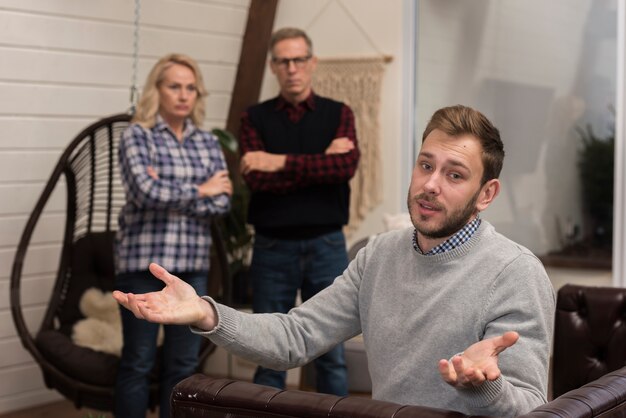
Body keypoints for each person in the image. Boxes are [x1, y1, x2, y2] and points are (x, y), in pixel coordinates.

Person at [113, 105, 556, 417]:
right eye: (425, 165)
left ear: (487, 194)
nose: (431, 185)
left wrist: (486, 386)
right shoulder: (379, 254)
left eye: (454, 174)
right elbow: (294, 337)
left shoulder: (515, 273)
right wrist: (207, 312)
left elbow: (534, 411)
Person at [237, 27, 360, 395]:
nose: (292, 68)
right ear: (273, 66)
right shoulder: (253, 118)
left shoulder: (339, 114)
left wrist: (277, 161)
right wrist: (319, 162)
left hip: (327, 245)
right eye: (283, 61)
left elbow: (344, 168)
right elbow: (258, 181)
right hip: (272, 248)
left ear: (313, 62)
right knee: (268, 351)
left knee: (331, 354)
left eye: (299, 59)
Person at [114, 53, 232, 418]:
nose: (183, 95)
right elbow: (144, 192)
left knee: (183, 365)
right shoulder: (137, 135)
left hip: (191, 269)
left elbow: (224, 201)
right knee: (138, 361)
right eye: (174, 86)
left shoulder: (207, 142)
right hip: (142, 265)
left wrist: (170, 187)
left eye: (191, 88)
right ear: (157, 90)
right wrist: (201, 190)